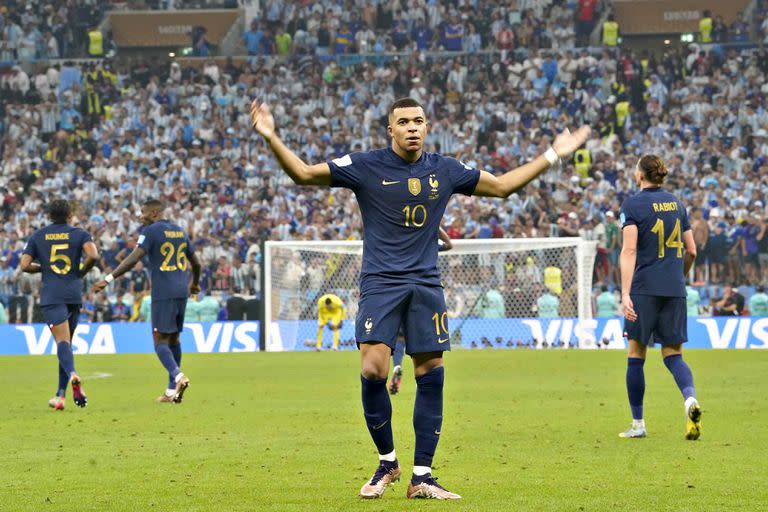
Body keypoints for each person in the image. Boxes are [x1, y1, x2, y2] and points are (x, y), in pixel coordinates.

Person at [250, 96, 589, 499]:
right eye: (404, 122)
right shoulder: (365, 166)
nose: (413, 127)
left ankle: (422, 477)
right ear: (389, 130)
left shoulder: (444, 170)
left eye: (419, 121)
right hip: (381, 282)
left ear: (427, 127)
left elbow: (501, 187)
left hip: (426, 284)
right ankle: (387, 463)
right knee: (374, 369)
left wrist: (554, 154)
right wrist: (271, 136)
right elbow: (305, 175)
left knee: (431, 372)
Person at [619, 155, 701, 440]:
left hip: (644, 289)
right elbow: (691, 250)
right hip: (675, 289)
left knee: (636, 355)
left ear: (641, 175)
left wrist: (625, 293)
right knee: (673, 355)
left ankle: (638, 424)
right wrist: (680, 277)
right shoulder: (678, 205)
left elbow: (629, 251)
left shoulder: (632, 205)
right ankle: (690, 400)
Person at [93, 199, 201, 404]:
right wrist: (194, 284)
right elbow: (196, 262)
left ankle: (179, 377)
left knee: (159, 340)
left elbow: (134, 258)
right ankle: (171, 392)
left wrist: (108, 279)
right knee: (174, 340)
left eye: (142, 213)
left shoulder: (151, 232)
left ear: (153, 213)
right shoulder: (179, 231)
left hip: (163, 291)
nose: (139, 216)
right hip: (181, 291)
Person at [19, 199, 99, 410]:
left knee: (62, 342)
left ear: (49, 216)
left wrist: (44, 268)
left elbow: (24, 265)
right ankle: (60, 395)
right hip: (73, 293)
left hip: (52, 296)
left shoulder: (38, 236)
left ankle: (73, 374)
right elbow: (93, 255)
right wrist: (80, 271)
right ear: (69, 214)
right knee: (67, 345)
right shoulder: (80, 233)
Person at [390, 227, 453, 395]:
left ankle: (397, 365)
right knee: (424, 344)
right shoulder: (429, 243)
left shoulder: (401, 243)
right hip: (426, 293)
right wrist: (436, 227)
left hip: (398, 291)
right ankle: (424, 382)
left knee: (399, 337)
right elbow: (449, 245)